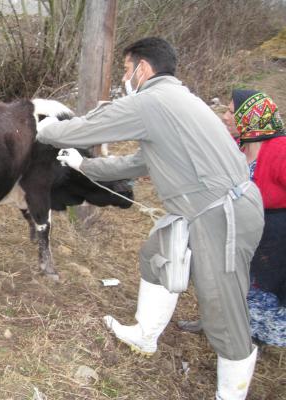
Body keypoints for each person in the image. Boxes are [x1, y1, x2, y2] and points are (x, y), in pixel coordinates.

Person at [37, 37, 264, 399]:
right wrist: (85, 166)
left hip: (221, 215)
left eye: (126, 69)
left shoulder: (151, 101)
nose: (124, 77)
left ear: (142, 68)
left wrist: (44, 128)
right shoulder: (178, 101)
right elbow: (138, 162)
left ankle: (231, 394)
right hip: (205, 209)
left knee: (223, 312)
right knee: (156, 256)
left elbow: (85, 128)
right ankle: (145, 335)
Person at [179, 90, 286, 347]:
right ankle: (215, 323)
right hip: (231, 224)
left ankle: (250, 340)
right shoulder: (237, 144)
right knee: (218, 276)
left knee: (257, 289)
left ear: (251, 118)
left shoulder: (280, 150)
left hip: (271, 234)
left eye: (231, 112)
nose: (225, 117)